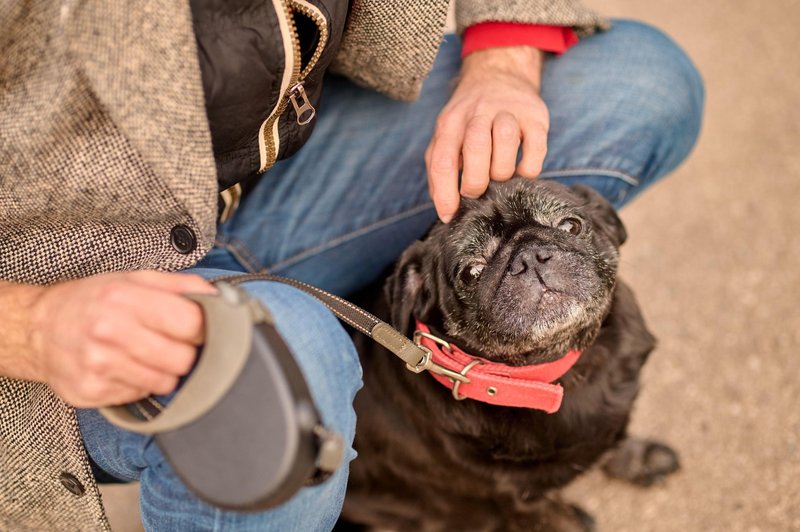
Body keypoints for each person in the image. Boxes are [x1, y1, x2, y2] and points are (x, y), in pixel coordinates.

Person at [0, 1, 704, 529]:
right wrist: (27, 324)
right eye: (476, 267)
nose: (536, 266)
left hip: (267, 175)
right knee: (298, 369)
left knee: (643, 82)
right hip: (75, 279)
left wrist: (504, 60)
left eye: (567, 231)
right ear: (414, 295)